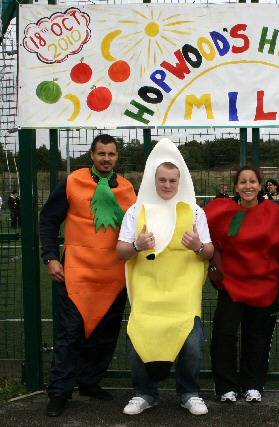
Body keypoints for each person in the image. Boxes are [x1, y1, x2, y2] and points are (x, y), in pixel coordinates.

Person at [39, 134, 136, 417]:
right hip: (76, 273)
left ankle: (90, 381)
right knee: (70, 335)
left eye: (112, 154)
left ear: (117, 157)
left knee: (105, 335)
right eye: (101, 153)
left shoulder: (129, 188)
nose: (106, 159)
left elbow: (137, 228)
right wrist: (50, 257)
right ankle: (59, 392)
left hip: (114, 275)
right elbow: (48, 219)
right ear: (91, 155)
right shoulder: (72, 182)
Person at [117, 138, 214, 416]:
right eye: (162, 180)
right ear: (153, 180)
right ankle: (145, 394)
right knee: (140, 341)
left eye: (173, 180)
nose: (167, 185)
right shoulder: (136, 211)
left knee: (191, 345)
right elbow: (120, 251)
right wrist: (137, 245)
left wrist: (198, 246)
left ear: (180, 181)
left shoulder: (195, 212)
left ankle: (189, 393)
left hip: (183, 295)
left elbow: (209, 252)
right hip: (147, 293)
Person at [204, 166, 279, 404]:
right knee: (224, 336)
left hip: (264, 285)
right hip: (231, 285)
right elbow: (205, 236)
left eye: (252, 181)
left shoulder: (274, 213)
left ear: (260, 185)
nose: (248, 186)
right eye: (242, 182)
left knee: (258, 337)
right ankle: (226, 387)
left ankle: (253, 385)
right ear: (236, 187)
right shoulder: (221, 211)